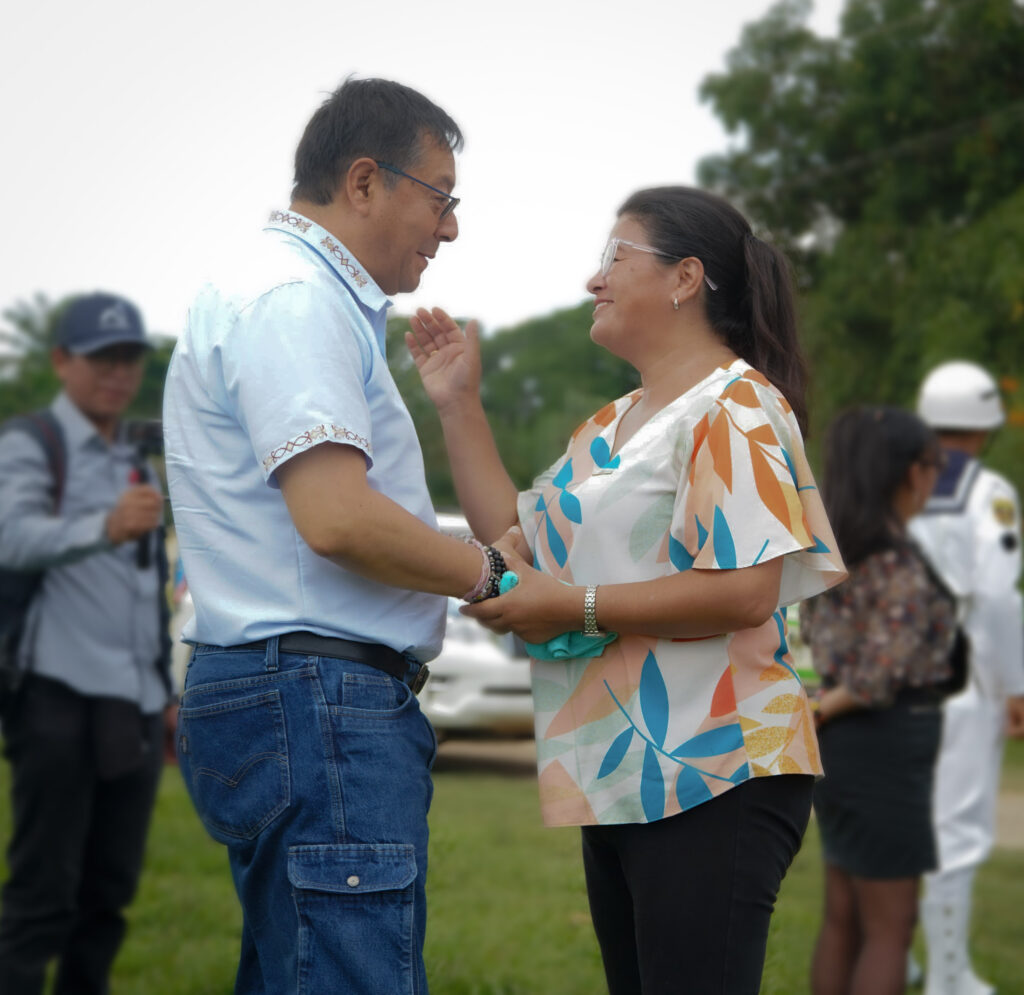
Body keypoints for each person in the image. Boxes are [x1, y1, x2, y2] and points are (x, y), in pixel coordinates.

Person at [405, 186, 847, 994]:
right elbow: (519, 538)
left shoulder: (736, 405)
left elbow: (746, 589)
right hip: (625, 773)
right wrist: (459, 404)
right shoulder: (611, 426)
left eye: (615, 256)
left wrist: (571, 606)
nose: (594, 279)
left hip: (719, 765)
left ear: (685, 278)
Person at [162, 77, 514, 995]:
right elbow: (337, 517)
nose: (449, 228)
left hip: (291, 691)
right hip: (318, 699)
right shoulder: (294, 299)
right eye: (440, 197)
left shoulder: (282, 293)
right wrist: (490, 573)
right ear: (364, 182)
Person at [0, 292, 176, 995]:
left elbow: (144, 585)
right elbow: (11, 537)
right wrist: (103, 527)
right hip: (56, 697)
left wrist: (164, 690)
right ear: (61, 361)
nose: (118, 372)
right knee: (42, 894)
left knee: (108, 895)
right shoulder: (31, 443)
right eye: (102, 358)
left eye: (129, 358)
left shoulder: (134, 456)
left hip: (135, 704)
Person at [801, 406, 960, 995]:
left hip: (840, 754)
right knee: (891, 927)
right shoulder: (896, 565)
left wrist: (820, 710)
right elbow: (877, 677)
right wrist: (822, 708)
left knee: (843, 916)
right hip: (885, 746)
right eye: (935, 464)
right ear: (911, 472)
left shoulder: (831, 561)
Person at [909, 361, 1024, 995]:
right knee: (956, 829)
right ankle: (948, 978)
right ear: (984, 427)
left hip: (889, 678)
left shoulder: (888, 479)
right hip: (962, 679)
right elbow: (1000, 597)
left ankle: (892, 957)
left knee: (897, 821)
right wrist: (1016, 684)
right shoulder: (988, 491)